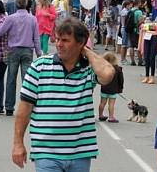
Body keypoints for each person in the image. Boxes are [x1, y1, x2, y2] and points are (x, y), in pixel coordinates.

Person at [13, 18, 115, 172]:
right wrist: (18, 143)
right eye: (58, 39)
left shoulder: (88, 70)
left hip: (80, 153)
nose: (59, 44)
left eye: (66, 40)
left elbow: (108, 74)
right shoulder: (39, 67)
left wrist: (87, 51)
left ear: (80, 43)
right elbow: (24, 109)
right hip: (46, 152)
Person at [0, 0, 41, 116]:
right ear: (26, 5)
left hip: (13, 50)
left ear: (16, 5)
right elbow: (36, 38)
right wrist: (39, 54)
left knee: (11, 79)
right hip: (27, 51)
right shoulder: (32, 19)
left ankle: (9, 107)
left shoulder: (11, 18)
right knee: (27, 80)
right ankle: (28, 107)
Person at [98, 52, 123, 123]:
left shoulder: (104, 68)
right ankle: (111, 117)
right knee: (111, 104)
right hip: (113, 89)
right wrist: (120, 88)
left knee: (102, 102)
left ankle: (100, 115)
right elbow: (121, 80)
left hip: (104, 88)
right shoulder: (118, 69)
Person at [126, 0, 145, 67]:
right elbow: (141, 21)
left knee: (131, 46)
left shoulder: (130, 11)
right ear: (138, 3)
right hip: (136, 31)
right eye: (140, 3)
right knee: (138, 46)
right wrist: (143, 20)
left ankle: (132, 61)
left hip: (131, 30)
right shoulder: (139, 12)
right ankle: (140, 61)